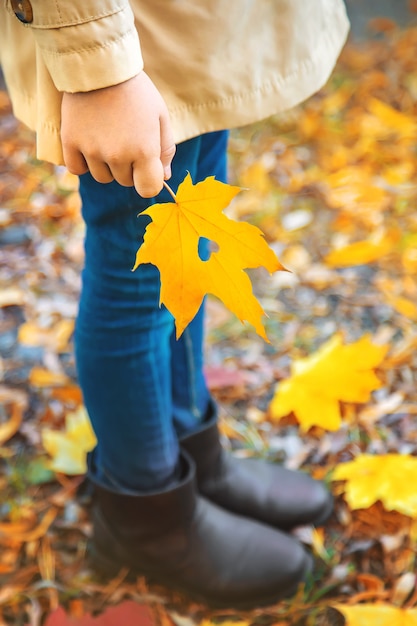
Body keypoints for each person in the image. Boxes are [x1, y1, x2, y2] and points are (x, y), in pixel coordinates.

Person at [0, 0, 349, 609]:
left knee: (188, 249)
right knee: (136, 280)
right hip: (133, 42)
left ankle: (192, 452)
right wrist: (98, 66)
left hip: (193, 33)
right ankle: (146, 511)